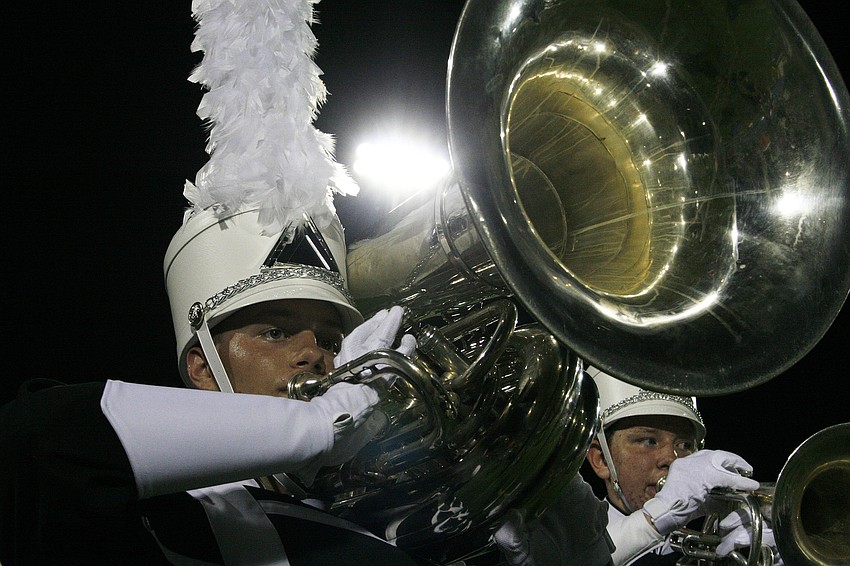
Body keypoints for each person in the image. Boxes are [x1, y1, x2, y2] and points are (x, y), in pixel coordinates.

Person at [0, 205, 425, 565]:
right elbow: (39, 436)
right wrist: (317, 425)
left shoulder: (385, 512)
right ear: (203, 369)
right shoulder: (170, 507)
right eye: (275, 333)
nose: (314, 354)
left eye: (331, 341)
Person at [583, 367, 783, 565]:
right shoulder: (565, 540)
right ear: (600, 459)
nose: (672, 458)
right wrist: (657, 515)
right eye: (649, 441)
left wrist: (774, 554)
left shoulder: (703, 553)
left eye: (684, 445)